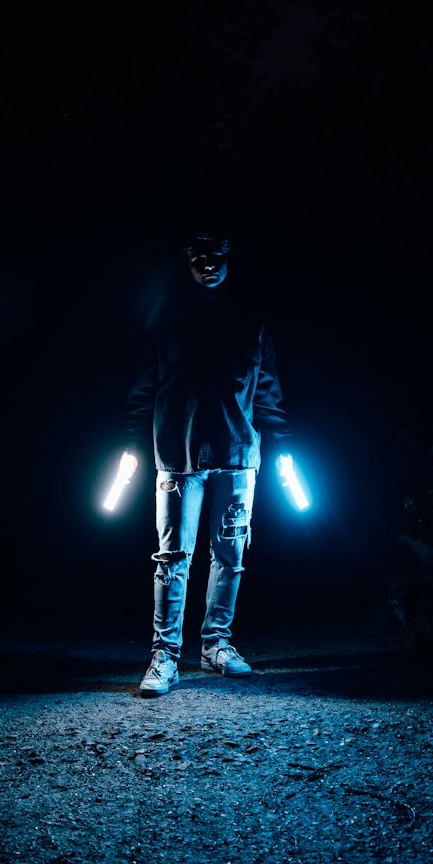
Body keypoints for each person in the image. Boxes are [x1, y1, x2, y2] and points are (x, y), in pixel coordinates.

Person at [121, 230, 294, 697]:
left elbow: (268, 391)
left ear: (228, 257)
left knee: (231, 555)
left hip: (238, 455)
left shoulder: (251, 323)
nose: (207, 263)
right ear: (186, 261)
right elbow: (143, 387)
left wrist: (284, 444)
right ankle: (165, 655)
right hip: (178, 456)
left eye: (215, 254)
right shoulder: (168, 322)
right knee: (173, 557)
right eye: (196, 255)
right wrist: (128, 445)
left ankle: (216, 644)